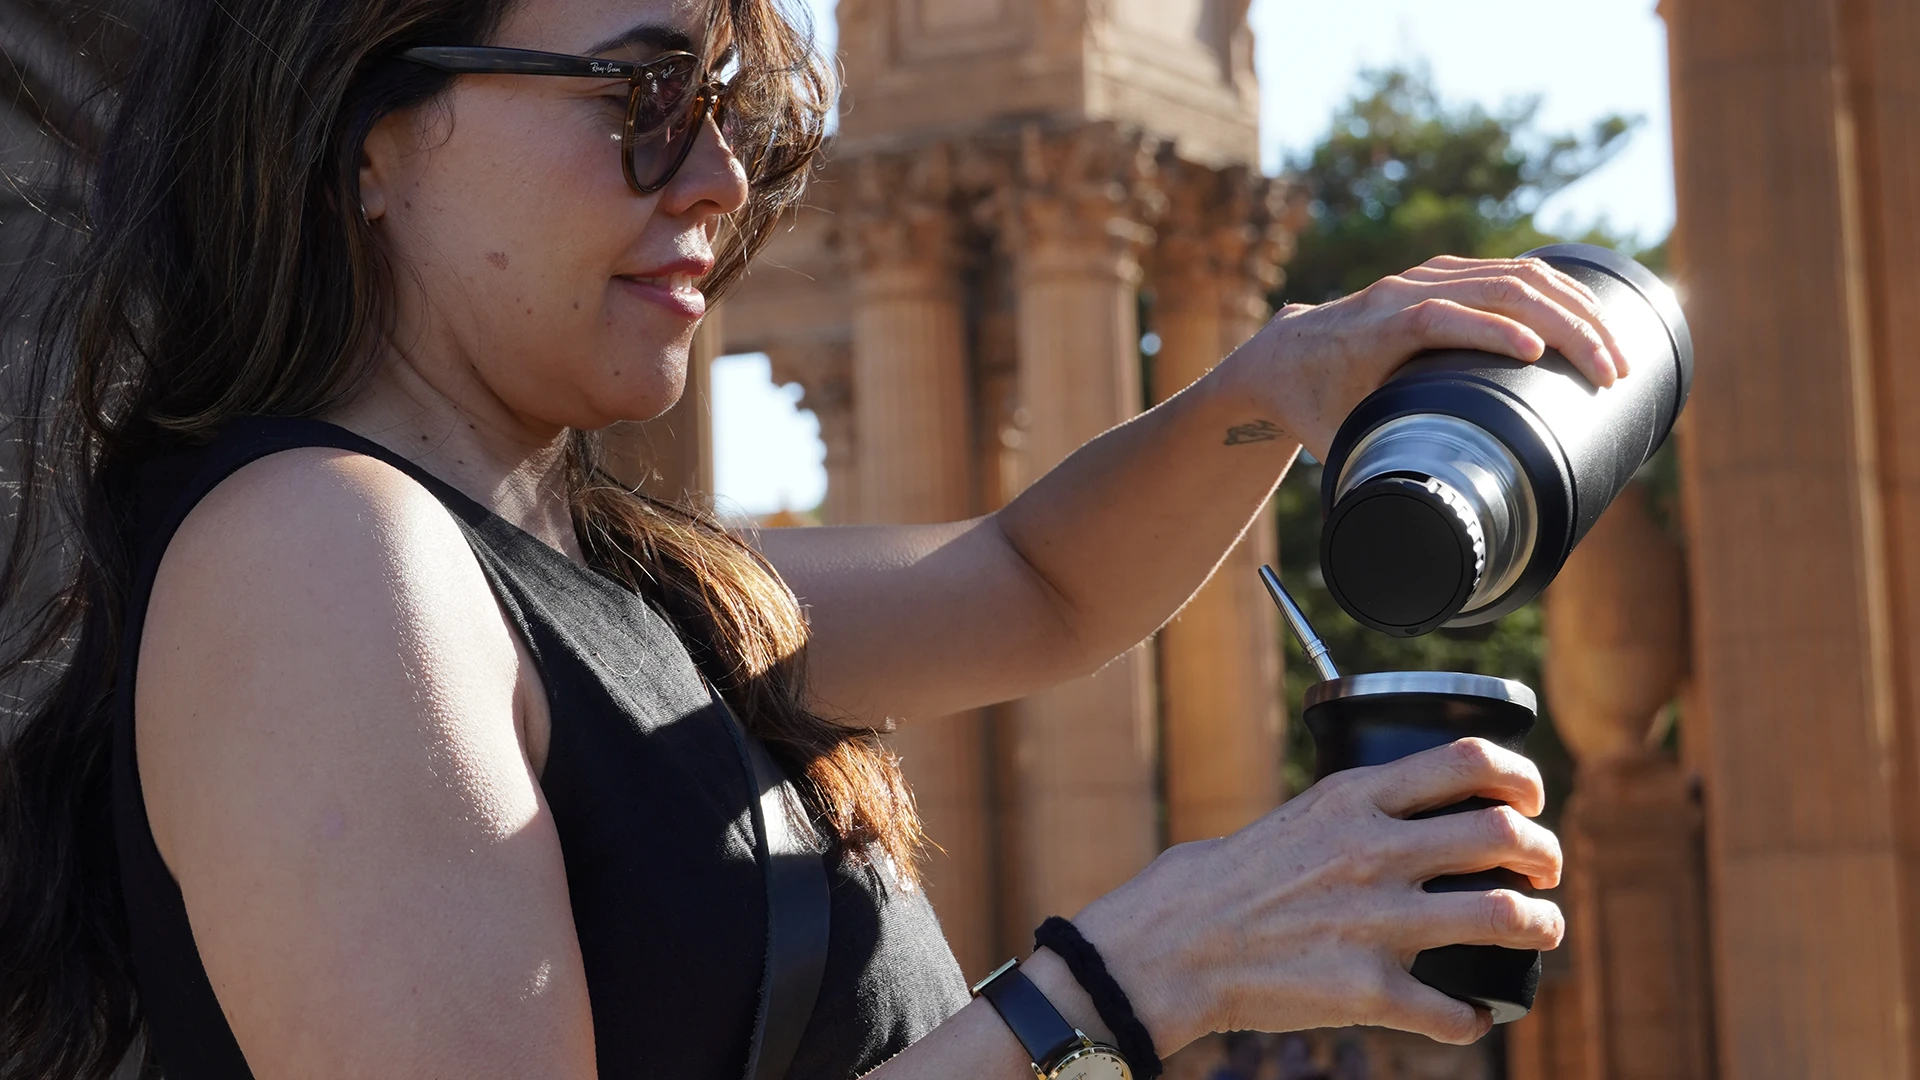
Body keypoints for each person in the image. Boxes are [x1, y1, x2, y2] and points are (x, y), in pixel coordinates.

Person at [0, 0, 1632, 1077]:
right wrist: (1130, 979)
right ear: (366, 134)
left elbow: (1033, 585)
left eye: (725, 107)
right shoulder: (315, 562)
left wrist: (1277, 385)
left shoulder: (583, 566)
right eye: (641, 95)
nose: (716, 176)